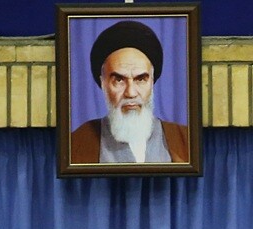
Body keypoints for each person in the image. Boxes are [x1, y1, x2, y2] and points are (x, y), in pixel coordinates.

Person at [68, 20, 191, 165]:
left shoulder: (185, 140)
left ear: (152, 81)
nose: (131, 93)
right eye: (119, 80)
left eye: (141, 79)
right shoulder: (77, 143)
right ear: (103, 83)